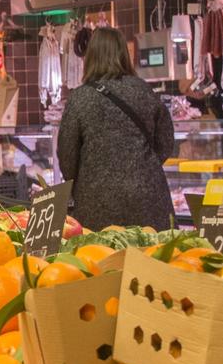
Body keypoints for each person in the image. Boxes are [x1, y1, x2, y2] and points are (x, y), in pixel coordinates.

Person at [58, 27, 178, 231]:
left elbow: (67, 157)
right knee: (152, 256)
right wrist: (139, 166)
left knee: (101, 258)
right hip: (148, 195)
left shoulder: (79, 98)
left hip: (96, 198)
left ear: (90, 56)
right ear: (124, 54)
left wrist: (89, 175)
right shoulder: (144, 90)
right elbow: (165, 142)